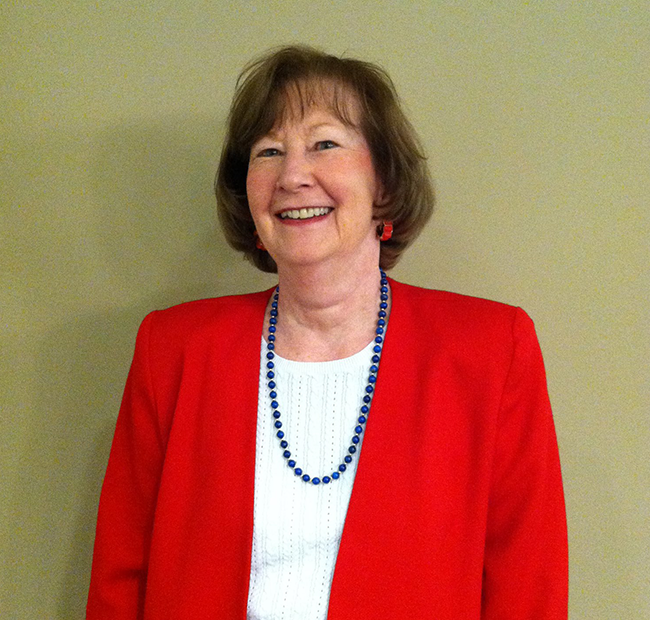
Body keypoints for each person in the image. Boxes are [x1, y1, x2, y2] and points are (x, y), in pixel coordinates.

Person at [87, 45, 568, 619]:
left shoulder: (490, 349)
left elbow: (526, 584)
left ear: (383, 182)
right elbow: (121, 575)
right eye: (269, 151)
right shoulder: (175, 349)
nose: (292, 175)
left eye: (324, 144)